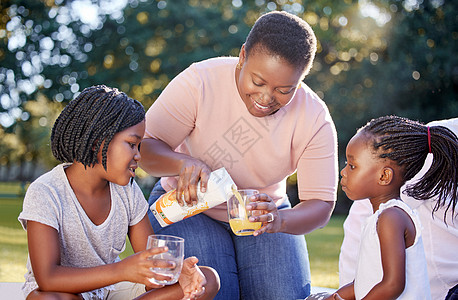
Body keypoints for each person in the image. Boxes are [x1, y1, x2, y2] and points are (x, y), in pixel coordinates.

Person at [139, 11, 338, 300]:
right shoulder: (200, 81)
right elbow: (144, 146)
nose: (266, 98)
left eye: (284, 90)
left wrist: (279, 221)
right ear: (243, 55)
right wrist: (184, 163)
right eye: (258, 81)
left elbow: (320, 203)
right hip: (185, 207)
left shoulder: (315, 118)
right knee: (213, 292)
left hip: (263, 215)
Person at [18, 85, 220, 300]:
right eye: (132, 144)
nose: (138, 156)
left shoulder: (127, 191)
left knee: (207, 279)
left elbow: (152, 260)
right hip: (63, 290)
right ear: (98, 142)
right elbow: (47, 278)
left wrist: (179, 273)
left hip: (110, 290)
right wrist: (122, 270)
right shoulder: (47, 192)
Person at [323, 115, 458, 299]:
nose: (343, 172)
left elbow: (393, 285)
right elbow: (366, 281)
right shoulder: (382, 216)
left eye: (352, 166)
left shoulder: (392, 218)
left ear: (384, 176)